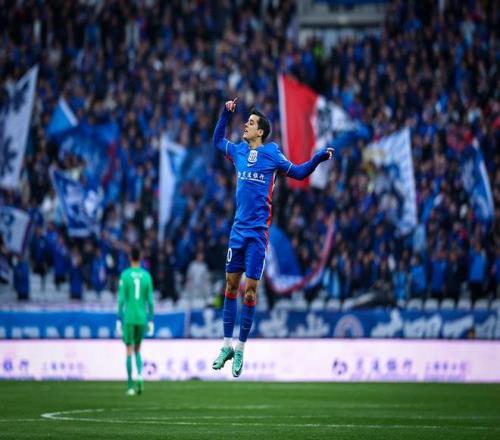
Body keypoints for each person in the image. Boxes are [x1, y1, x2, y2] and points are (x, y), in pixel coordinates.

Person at [211, 98, 334, 377]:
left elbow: (299, 173)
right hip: (237, 232)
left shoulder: (272, 154)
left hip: (257, 235)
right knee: (230, 287)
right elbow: (217, 141)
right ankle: (226, 345)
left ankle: (240, 348)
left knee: (250, 291)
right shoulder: (239, 151)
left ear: (261, 131)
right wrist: (225, 114)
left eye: (251, 123)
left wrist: (317, 158)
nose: (246, 125)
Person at [116, 246, 154, 396]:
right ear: (141, 257)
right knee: (138, 349)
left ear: (130, 257)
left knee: (129, 350)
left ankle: (131, 386)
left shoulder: (125, 275)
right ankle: (140, 375)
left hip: (129, 317)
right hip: (142, 317)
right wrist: (151, 320)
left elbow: (121, 300)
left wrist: (118, 319)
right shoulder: (146, 276)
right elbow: (150, 301)